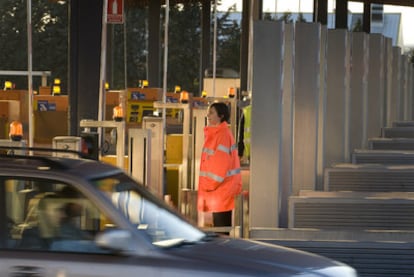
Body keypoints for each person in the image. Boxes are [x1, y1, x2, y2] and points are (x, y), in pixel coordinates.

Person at [198, 102, 242, 228]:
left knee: (221, 232)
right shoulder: (217, 134)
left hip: (220, 191)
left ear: (221, 116)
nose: (208, 115)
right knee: (220, 230)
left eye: (212, 112)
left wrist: (208, 185)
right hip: (219, 191)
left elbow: (220, 167)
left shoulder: (221, 135)